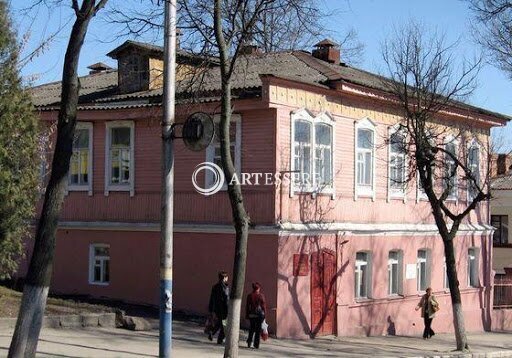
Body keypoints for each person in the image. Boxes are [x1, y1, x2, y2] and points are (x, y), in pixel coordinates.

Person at [208, 271, 229, 344]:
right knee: (225, 324)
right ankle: (220, 339)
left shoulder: (215, 287)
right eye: (226, 277)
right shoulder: (225, 287)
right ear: (224, 278)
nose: (227, 278)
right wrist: (228, 308)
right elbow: (226, 299)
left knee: (220, 322)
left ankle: (212, 332)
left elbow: (212, 298)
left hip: (217, 308)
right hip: (224, 309)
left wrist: (211, 308)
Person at [245, 282, 266, 349]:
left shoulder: (249, 295)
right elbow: (263, 307)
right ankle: (256, 345)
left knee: (251, 329)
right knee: (258, 330)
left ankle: (249, 341)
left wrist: (247, 315)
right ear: (259, 288)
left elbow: (247, 306)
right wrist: (264, 315)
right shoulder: (261, 296)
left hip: (252, 315)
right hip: (259, 315)